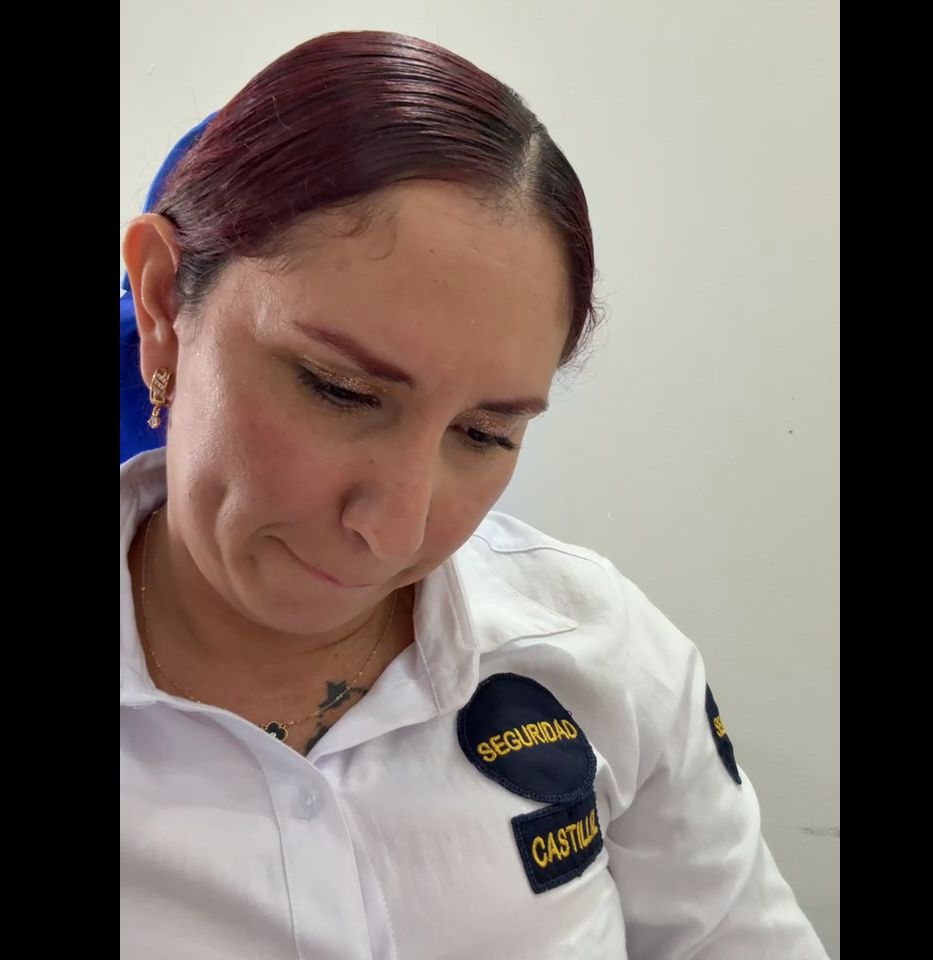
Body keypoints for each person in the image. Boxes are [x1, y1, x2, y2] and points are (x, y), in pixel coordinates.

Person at [120, 30, 829, 959]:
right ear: (163, 301)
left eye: (487, 435)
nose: (398, 529)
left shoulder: (599, 649)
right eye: (341, 391)